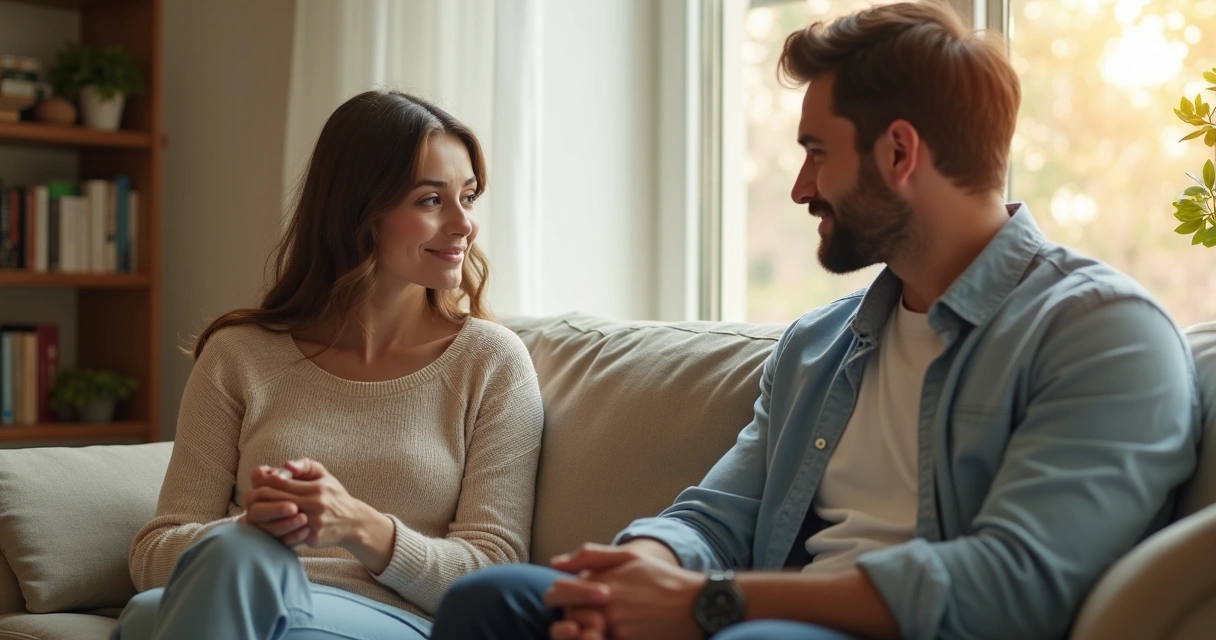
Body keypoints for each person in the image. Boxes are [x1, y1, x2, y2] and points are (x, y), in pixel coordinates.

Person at [428, 2, 1200, 639]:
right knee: (492, 602)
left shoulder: (1103, 335)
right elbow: (718, 516)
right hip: (754, 620)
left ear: (899, 152)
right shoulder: (820, 346)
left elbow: (1012, 587)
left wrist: (713, 603)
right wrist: (639, 576)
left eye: (816, 152)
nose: (801, 187)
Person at [110, 90, 544, 640]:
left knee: (164, 620)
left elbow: (494, 575)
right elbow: (152, 553)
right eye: (432, 200)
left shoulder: (491, 362)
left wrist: (359, 526)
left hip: (388, 620)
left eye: (469, 197)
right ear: (358, 210)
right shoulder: (239, 354)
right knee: (217, 570)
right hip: (232, 592)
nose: (464, 225)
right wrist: (249, 530)